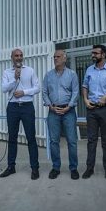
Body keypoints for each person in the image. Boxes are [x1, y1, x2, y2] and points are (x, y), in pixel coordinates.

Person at [81, 44, 106, 180]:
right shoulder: (89, 70)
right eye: (92, 53)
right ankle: (89, 168)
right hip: (91, 108)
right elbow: (85, 86)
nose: (93, 55)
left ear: (103, 55)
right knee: (91, 140)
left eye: (96, 53)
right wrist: (85, 99)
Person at [0, 48, 40, 180]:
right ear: (11, 57)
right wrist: (14, 79)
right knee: (12, 138)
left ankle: (35, 168)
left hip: (27, 107)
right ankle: (11, 167)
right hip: (12, 107)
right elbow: (4, 88)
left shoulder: (30, 70)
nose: (19, 57)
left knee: (31, 138)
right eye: (16, 55)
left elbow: (37, 88)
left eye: (21, 55)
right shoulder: (7, 72)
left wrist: (24, 92)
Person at [43, 50, 79, 180]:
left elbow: (75, 92)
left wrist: (68, 107)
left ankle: (73, 168)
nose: (55, 59)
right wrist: (50, 106)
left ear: (65, 59)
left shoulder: (72, 74)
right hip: (53, 111)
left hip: (68, 111)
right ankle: (56, 167)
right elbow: (44, 92)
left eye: (58, 57)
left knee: (72, 141)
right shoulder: (48, 75)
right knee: (53, 141)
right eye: (54, 57)